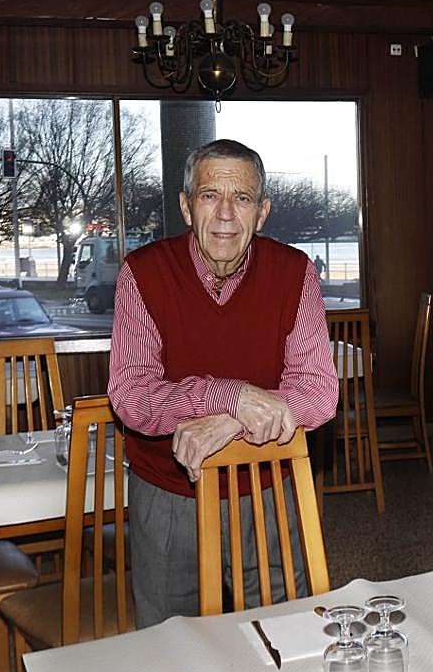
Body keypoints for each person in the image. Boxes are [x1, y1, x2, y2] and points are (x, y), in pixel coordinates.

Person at [108, 139, 338, 629]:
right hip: (170, 492)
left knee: (288, 635)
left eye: (243, 198)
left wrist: (230, 422)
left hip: (265, 487)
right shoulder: (143, 273)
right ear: (187, 206)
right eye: (210, 195)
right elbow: (132, 395)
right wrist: (232, 394)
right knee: (171, 651)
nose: (226, 214)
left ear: (262, 213)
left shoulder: (295, 273)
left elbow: (319, 393)